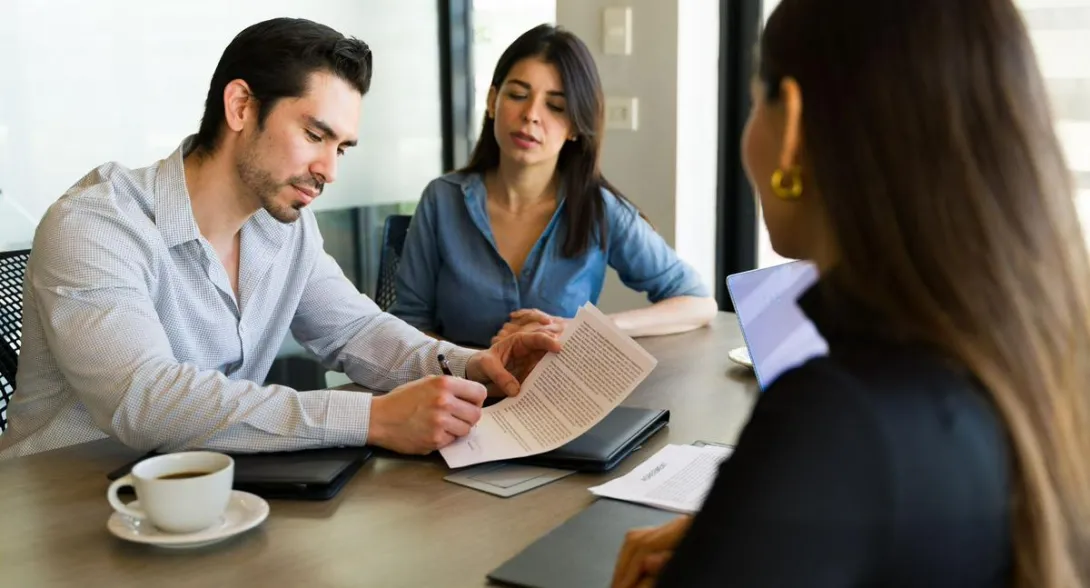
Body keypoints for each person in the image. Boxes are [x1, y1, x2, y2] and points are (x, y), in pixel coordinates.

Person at [612, 0, 1090, 586]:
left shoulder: (834, 420)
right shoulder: (1033, 368)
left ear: (791, 126)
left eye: (756, 100)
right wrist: (764, 532)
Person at [0, 18, 560, 460]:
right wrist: (372, 419)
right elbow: (144, 401)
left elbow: (356, 331)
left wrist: (472, 366)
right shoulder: (96, 224)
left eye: (340, 147)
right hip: (62, 517)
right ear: (241, 106)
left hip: (206, 500)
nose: (328, 170)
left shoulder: (283, 227)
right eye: (315, 134)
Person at [389, 24, 717, 348]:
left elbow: (698, 302)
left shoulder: (598, 208)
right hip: (458, 393)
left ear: (575, 125)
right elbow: (409, 324)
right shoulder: (442, 200)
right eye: (518, 95)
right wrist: (471, 367)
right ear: (492, 102)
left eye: (555, 106)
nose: (531, 115)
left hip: (559, 396)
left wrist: (590, 328)